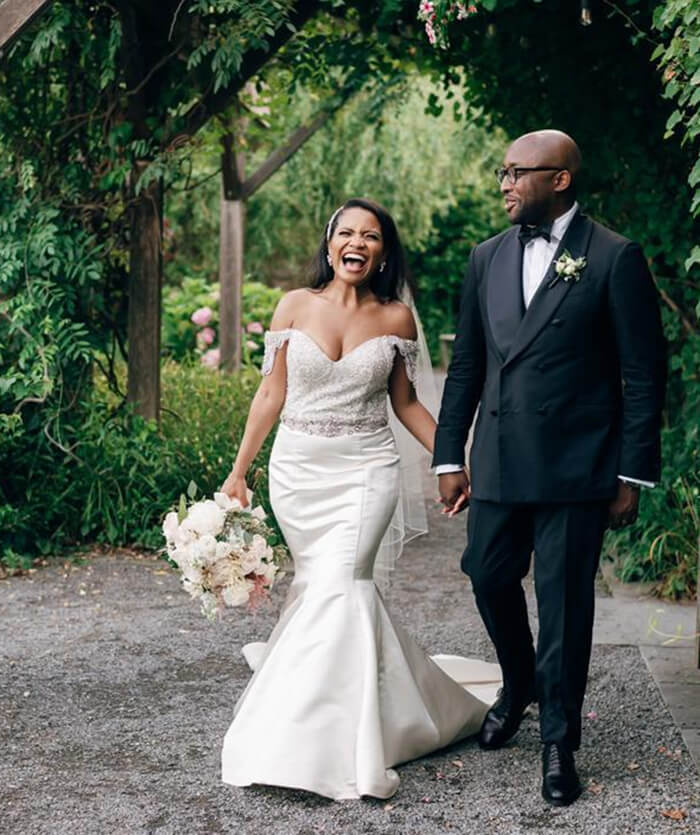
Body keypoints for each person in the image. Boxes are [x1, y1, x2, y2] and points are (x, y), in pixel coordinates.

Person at [218, 198, 501, 801]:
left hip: (367, 470)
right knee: (318, 587)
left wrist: (454, 461)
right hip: (298, 472)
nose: (356, 242)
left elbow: (406, 405)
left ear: (381, 252)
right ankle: (356, 710)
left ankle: (333, 742)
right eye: (345, 232)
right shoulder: (295, 306)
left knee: (346, 583)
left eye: (369, 236)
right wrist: (239, 473)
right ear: (329, 245)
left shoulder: (397, 319)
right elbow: (271, 394)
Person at [434, 130, 666, 807]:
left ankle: (559, 741)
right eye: (502, 173)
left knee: (565, 604)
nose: (505, 184)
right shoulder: (486, 257)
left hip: (578, 465)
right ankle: (519, 680)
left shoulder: (615, 256)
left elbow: (642, 373)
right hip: (501, 459)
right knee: (486, 573)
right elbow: (469, 366)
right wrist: (451, 453)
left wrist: (632, 473)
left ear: (559, 179)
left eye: (516, 173)